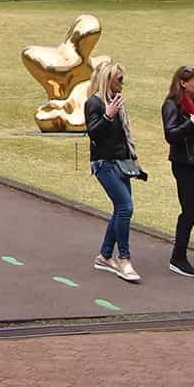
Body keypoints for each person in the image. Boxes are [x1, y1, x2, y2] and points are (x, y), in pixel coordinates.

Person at [84, 58, 145, 283]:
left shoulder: (116, 102)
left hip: (121, 162)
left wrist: (134, 158)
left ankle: (104, 255)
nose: (122, 83)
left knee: (121, 208)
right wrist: (108, 115)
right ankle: (124, 259)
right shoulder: (95, 104)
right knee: (125, 207)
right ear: (108, 80)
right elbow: (94, 134)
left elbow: (124, 134)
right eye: (119, 79)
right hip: (104, 163)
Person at [162, 64, 194, 276]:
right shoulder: (172, 105)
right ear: (183, 83)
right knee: (190, 211)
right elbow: (171, 135)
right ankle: (178, 257)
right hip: (186, 165)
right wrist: (191, 124)